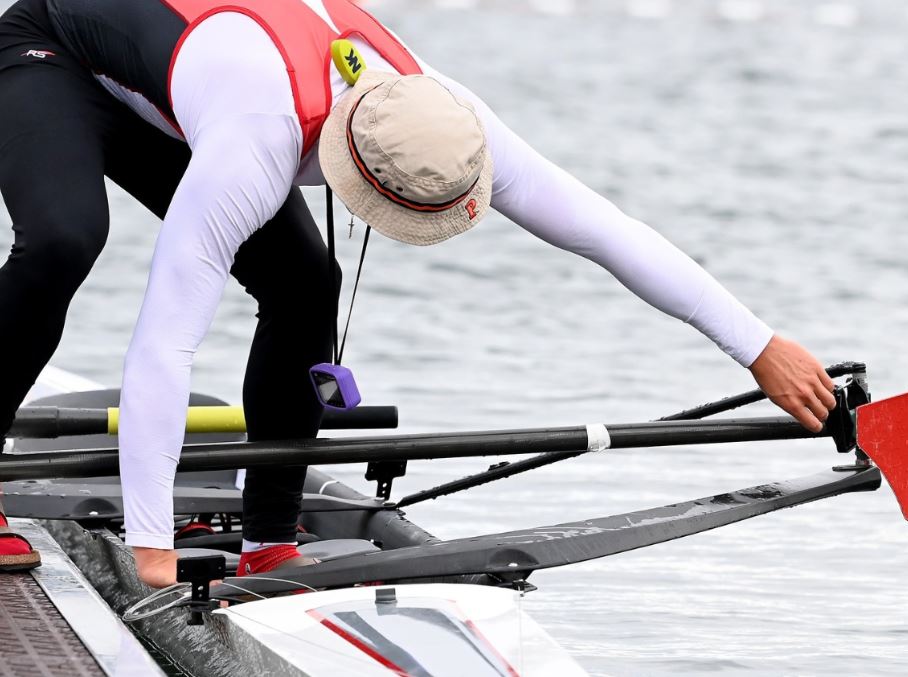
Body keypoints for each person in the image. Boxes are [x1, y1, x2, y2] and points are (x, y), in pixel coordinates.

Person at [0, 0, 836, 584]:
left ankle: (267, 539)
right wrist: (150, 547)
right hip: (54, 51)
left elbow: (602, 227)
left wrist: (757, 342)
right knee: (65, 241)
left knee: (304, 282)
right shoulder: (256, 139)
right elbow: (164, 339)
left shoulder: (443, 113)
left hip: (177, 86)